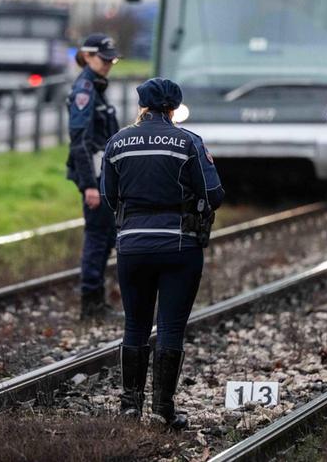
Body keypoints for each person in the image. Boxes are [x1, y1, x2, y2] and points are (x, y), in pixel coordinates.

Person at [100, 78, 224, 429]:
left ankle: (129, 406)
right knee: (170, 326)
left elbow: (109, 196)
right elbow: (214, 193)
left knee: (135, 324)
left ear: (142, 106)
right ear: (173, 108)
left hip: (133, 247)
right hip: (180, 247)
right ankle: (162, 409)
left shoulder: (117, 143)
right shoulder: (188, 143)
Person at [66, 33, 122, 318]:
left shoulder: (97, 86)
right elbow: (80, 140)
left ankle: (96, 300)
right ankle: (91, 302)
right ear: (87, 56)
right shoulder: (86, 90)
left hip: (102, 174)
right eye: (104, 58)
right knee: (98, 236)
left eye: (112, 59)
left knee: (106, 234)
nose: (109, 63)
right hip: (94, 175)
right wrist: (89, 184)